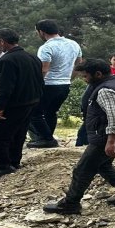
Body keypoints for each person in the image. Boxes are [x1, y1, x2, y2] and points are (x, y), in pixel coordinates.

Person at [42, 60, 115, 215]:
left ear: (98, 74)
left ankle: (70, 204)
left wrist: (111, 142)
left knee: (82, 170)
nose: (84, 79)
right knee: (103, 165)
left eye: (85, 76)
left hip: (106, 138)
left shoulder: (106, 90)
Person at [0, 28, 43, 178]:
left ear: (1, 41)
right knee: (19, 132)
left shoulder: (6, 60)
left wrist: (0, 107)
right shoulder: (32, 57)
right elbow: (40, 80)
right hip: (31, 101)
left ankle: (2, 165)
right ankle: (14, 161)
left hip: (15, 104)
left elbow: (5, 86)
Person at [27, 20, 82, 148]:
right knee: (51, 112)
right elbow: (78, 63)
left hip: (49, 84)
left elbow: (44, 69)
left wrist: (35, 85)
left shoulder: (46, 47)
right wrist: (70, 78)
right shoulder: (74, 44)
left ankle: (47, 139)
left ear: (41, 31)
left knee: (34, 113)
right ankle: (46, 137)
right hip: (65, 84)